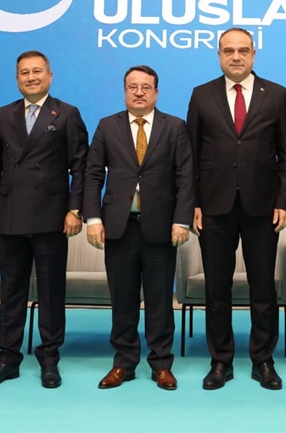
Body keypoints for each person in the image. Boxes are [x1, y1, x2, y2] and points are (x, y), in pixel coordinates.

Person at [186, 27, 286, 391]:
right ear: (219, 55)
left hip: (262, 207)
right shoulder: (201, 94)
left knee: (263, 289)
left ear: (253, 54)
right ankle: (221, 361)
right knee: (217, 290)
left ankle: (263, 360)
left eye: (243, 50)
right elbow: (190, 155)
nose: (236, 56)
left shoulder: (275, 94)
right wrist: (193, 203)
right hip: (213, 207)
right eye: (229, 50)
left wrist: (284, 201)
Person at [0, 51, 88, 390]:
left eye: (37, 71)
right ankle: (7, 358)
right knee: (11, 291)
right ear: (16, 79)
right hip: (11, 214)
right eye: (24, 72)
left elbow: (80, 166)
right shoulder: (3, 114)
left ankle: (49, 358)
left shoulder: (67, 113)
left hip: (52, 216)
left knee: (51, 292)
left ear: (50, 76)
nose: (31, 77)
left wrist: (75, 210)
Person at [83, 65, 193, 391]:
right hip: (119, 227)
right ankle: (123, 363)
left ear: (156, 93)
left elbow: (186, 176)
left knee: (160, 301)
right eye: (133, 87)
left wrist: (182, 220)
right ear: (124, 92)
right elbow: (93, 174)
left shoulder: (175, 127)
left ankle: (162, 364)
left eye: (146, 87)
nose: (139, 93)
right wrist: (93, 219)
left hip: (162, 228)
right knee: (123, 300)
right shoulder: (107, 126)